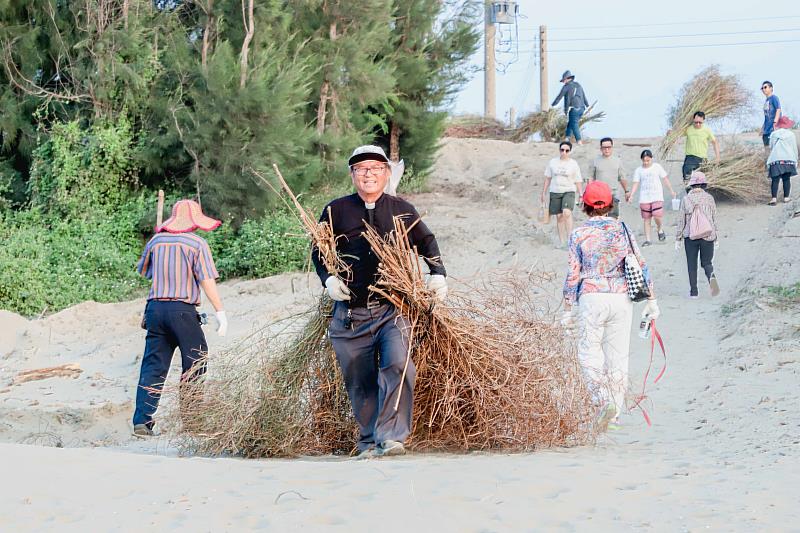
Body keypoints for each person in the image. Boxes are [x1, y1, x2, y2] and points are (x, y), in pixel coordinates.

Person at [312, 145, 447, 458]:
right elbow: (318, 249)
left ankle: (392, 437)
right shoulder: (336, 210)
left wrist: (438, 273)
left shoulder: (402, 209)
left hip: (393, 309)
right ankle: (369, 439)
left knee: (398, 366)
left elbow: (426, 241)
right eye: (361, 169)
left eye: (375, 167)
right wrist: (328, 280)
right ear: (352, 175)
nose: (368, 173)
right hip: (350, 314)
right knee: (359, 380)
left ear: (387, 173)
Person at [562, 181, 659, 430]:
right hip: (621, 297)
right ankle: (614, 415)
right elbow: (641, 263)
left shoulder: (579, 234)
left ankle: (603, 400)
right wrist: (651, 299)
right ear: (610, 204)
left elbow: (573, 273)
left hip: (591, 296)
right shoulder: (622, 229)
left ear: (584, 205)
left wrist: (567, 308)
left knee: (589, 352)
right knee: (618, 357)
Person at [132, 199, 228, 437]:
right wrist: (220, 311)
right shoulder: (197, 244)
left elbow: (146, 271)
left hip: (155, 310)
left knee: (153, 365)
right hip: (182, 311)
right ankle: (192, 419)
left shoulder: (155, 241)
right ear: (194, 222)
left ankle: (142, 422)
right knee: (196, 361)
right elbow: (206, 280)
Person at [675, 171, 720, 299]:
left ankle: (694, 292)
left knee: (691, 263)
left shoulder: (686, 199)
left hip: (690, 236)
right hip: (708, 235)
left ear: (692, 185)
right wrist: (716, 237)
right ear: (703, 184)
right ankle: (712, 281)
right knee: (707, 262)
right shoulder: (709, 198)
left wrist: (678, 238)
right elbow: (714, 218)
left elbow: (681, 220)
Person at [628, 149, 677, 246]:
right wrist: (631, 195)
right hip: (644, 197)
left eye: (648, 160)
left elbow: (665, 179)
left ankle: (660, 229)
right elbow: (636, 183)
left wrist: (671, 190)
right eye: (644, 161)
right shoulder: (639, 170)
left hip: (657, 196)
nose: (646, 162)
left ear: (651, 159)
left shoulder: (657, 167)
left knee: (657, 215)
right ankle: (648, 240)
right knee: (647, 219)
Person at [541, 141, 584, 247]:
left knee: (566, 212)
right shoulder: (552, 162)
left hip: (569, 190)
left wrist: (581, 194)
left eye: (567, 150)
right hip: (555, 191)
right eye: (562, 150)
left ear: (570, 151)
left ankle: (570, 239)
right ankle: (562, 241)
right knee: (559, 216)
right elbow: (548, 178)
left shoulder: (573, 164)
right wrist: (543, 192)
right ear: (559, 150)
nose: (564, 152)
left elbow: (578, 180)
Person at [588, 137, 629, 218]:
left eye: (609, 147)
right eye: (604, 147)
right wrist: (589, 192)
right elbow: (590, 177)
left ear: (612, 147)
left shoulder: (617, 161)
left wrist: (626, 191)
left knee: (613, 217)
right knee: (600, 217)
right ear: (601, 148)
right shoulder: (595, 161)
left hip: (613, 192)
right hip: (599, 193)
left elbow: (622, 178)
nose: (607, 150)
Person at [681, 111, 720, 188]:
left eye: (700, 122)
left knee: (702, 181)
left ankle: (701, 197)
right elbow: (676, 134)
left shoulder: (707, 130)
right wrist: (670, 133)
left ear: (703, 121)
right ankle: (690, 195)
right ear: (693, 120)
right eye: (696, 122)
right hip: (690, 158)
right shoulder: (688, 129)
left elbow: (714, 142)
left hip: (702, 159)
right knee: (686, 177)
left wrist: (718, 157)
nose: (698, 124)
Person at [766, 115, 798, 205]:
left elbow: (771, 147)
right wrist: (796, 160)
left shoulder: (773, 134)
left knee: (775, 180)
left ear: (779, 124)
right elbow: (794, 148)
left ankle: (773, 199)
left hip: (776, 159)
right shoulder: (791, 134)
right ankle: (786, 198)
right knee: (786, 179)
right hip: (789, 159)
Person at [551, 70, 589, 145]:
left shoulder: (566, 87)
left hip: (574, 108)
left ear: (568, 79)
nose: (563, 82)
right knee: (571, 122)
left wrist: (552, 105)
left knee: (574, 123)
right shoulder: (578, 85)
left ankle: (579, 140)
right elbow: (583, 95)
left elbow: (559, 97)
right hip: (582, 108)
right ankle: (567, 138)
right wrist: (587, 105)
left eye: (564, 80)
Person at [761, 81, 782, 152]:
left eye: (765, 87)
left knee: (774, 151)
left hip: (773, 129)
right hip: (766, 130)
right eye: (762, 88)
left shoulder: (774, 98)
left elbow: (778, 110)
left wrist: (775, 123)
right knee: (767, 151)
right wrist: (763, 128)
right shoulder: (766, 101)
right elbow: (767, 116)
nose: (763, 89)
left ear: (771, 88)